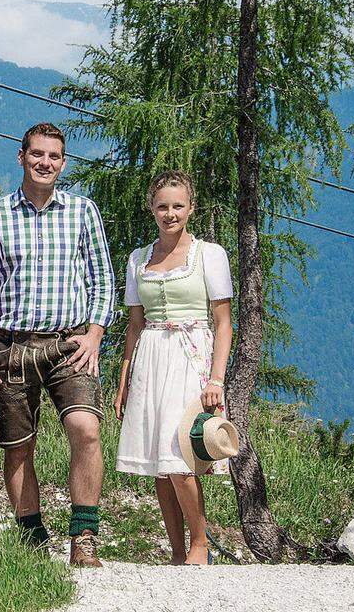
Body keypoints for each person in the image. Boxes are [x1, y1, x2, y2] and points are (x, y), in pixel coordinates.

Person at [0, 122, 115, 565]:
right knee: (18, 447)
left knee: (86, 429)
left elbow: (102, 278)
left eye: (53, 156)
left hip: (69, 343)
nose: (44, 163)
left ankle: (84, 535)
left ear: (64, 162)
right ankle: (32, 539)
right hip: (8, 347)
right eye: (37, 154)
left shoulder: (82, 211)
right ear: (21, 157)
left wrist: (95, 332)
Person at [114, 170, 234, 565]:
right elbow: (134, 325)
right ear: (152, 209)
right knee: (159, 466)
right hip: (150, 356)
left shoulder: (209, 254)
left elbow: (223, 323)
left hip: (191, 356)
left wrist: (217, 379)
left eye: (178, 205)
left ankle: (199, 544)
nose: (170, 213)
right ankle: (177, 551)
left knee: (182, 459)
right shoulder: (137, 259)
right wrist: (124, 381)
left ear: (191, 208)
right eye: (163, 206)